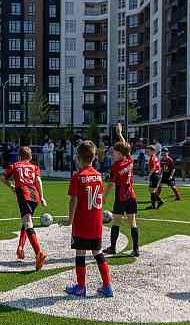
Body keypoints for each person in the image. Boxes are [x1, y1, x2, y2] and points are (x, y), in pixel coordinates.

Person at [62, 140, 113, 297]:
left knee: (80, 253)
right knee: (97, 252)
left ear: (78, 157)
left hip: (82, 223)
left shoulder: (78, 177)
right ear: (94, 157)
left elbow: (73, 200)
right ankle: (107, 286)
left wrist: (70, 220)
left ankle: (81, 287)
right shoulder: (98, 176)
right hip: (96, 223)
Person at [0, 146, 47, 271]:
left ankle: (39, 253)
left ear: (19, 157)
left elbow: (2, 178)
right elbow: (38, 181)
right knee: (27, 221)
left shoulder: (14, 165)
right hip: (35, 196)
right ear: (30, 157)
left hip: (24, 194)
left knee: (27, 222)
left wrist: (11, 187)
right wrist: (42, 197)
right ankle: (20, 247)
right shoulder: (35, 167)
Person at [102, 123, 139, 257]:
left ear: (120, 153)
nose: (112, 154)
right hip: (131, 196)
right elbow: (125, 147)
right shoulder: (129, 160)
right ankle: (136, 250)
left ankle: (113, 248)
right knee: (132, 223)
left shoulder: (116, 167)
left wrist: (104, 197)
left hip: (120, 198)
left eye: (114, 152)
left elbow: (111, 184)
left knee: (116, 222)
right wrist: (119, 134)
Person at [147, 145, 164, 209]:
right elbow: (158, 167)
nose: (147, 152)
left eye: (148, 151)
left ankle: (160, 201)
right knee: (151, 190)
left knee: (152, 191)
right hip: (156, 175)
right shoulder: (155, 157)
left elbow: (153, 168)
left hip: (154, 175)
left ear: (152, 151)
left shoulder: (152, 158)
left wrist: (148, 175)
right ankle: (153, 205)